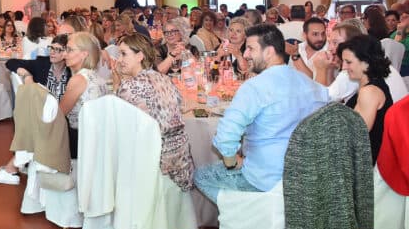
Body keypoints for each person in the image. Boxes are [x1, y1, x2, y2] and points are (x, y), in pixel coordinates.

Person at [193, 24, 327, 203]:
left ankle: (250, 211)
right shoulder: (310, 85)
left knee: (201, 176)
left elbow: (225, 137)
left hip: (263, 179)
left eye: (251, 48)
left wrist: (232, 162)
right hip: (303, 177)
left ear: (269, 52)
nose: (246, 54)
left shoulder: (255, 87)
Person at [0, 34, 72, 185]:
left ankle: (12, 168)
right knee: (35, 125)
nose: (52, 52)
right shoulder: (42, 64)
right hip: (45, 119)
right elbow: (11, 62)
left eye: (58, 50)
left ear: (66, 53)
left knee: (35, 127)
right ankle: (13, 168)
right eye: (51, 48)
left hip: (64, 121)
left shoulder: (71, 71)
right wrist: (26, 74)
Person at [114, 33, 194, 191]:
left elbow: (116, 120)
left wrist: (117, 82)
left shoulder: (129, 86)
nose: (119, 60)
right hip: (181, 161)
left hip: (153, 164)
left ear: (140, 56)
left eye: (123, 54)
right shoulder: (165, 79)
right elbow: (180, 107)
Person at [337, 35, 393, 165]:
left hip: (364, 165)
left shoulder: (369, 92)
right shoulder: (373, 85)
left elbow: (356, 135)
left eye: (348, 62)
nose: (343, 67)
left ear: (367, 62)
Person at [59, 32, 108, 158]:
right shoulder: (98, 78)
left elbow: (59, 114)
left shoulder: (79, 79)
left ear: (84, 54)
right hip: (98, 141)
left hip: (80, 142)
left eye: (70, 50)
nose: (64, 54)